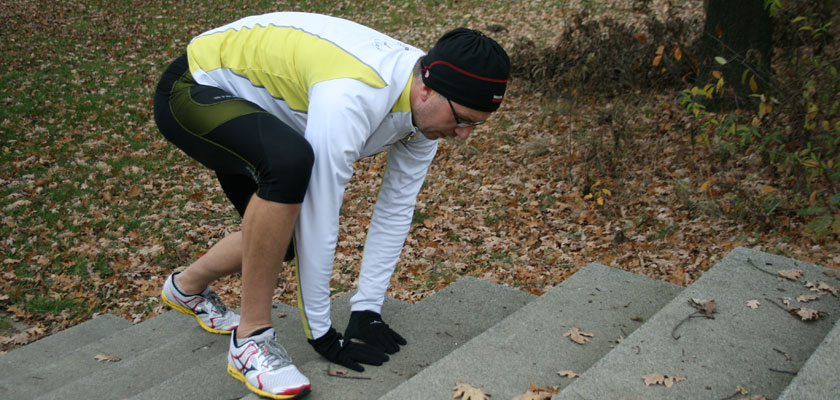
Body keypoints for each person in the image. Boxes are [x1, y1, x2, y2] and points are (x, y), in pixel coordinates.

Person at [153, 11, 510, 400]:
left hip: (258, 105)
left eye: (477, 124)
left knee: (280, 240)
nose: (464, 134)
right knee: (290, 165)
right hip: (195, 86)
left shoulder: (428, 110)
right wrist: (320, 332)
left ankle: (186, 288)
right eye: (462, 120)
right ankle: (251, 339)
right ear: (426, 88)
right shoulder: (354, 93)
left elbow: (395, 209)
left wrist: (367, 309)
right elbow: (320, 214)